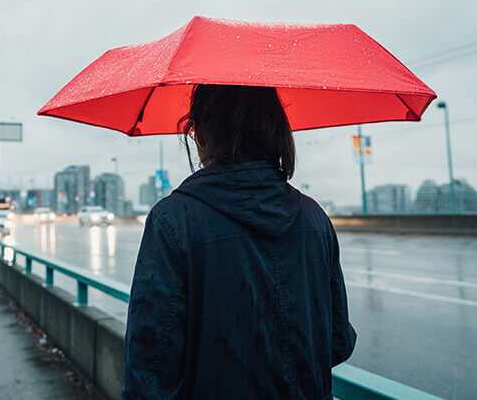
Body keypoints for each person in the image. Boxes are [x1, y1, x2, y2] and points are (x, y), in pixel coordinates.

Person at [123, 85, 356, 399]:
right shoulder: (315, 220)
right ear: (275, 130)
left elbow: (149, 373)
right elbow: (338, 342)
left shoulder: (172, 221)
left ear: (201, 134)